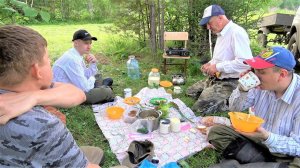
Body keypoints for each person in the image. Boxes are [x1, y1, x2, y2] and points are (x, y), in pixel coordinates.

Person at [0, 25, 103, 167]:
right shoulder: (43, 125)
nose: (50, 62)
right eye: (47, 59)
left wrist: (34, 96)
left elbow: (78, 94)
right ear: (36, 70)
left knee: (94, 152)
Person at [208, 47, 300, 168]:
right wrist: (242, 88)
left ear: (282, 74)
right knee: (217, 132)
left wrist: (267, 137)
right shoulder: (258, 85)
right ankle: (266, 163)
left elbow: (297, 146)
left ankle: (259, 163)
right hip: (259, 142)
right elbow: (235, 109)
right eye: (254, 70)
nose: (255, 76)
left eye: (261, 72)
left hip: (288, 153)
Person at [186, 4, 253, 115]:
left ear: (220, 18)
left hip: (231, 82)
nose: (208, 27)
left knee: (199, 108)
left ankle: (230, 101)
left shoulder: (236, 32)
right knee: (190, 92)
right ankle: (212, 92)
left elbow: (245, 63)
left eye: (209, 23)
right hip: (216, 78)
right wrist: (209, 64)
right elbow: (219, 58)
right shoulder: (221, 34)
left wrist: (217, 67)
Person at [52, 29, 115, 104]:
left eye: (90, 43)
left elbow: (85, 75)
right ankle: (105, 89)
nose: (89, 46)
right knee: (107, 91)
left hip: (74, 86)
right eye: (86, 43)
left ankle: (101, 87)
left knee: (97, 76)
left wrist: (93, 63)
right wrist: (93, 78)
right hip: (65, 95)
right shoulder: (72, 59)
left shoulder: (76, 55)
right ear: (76, 43)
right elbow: (85, 88)